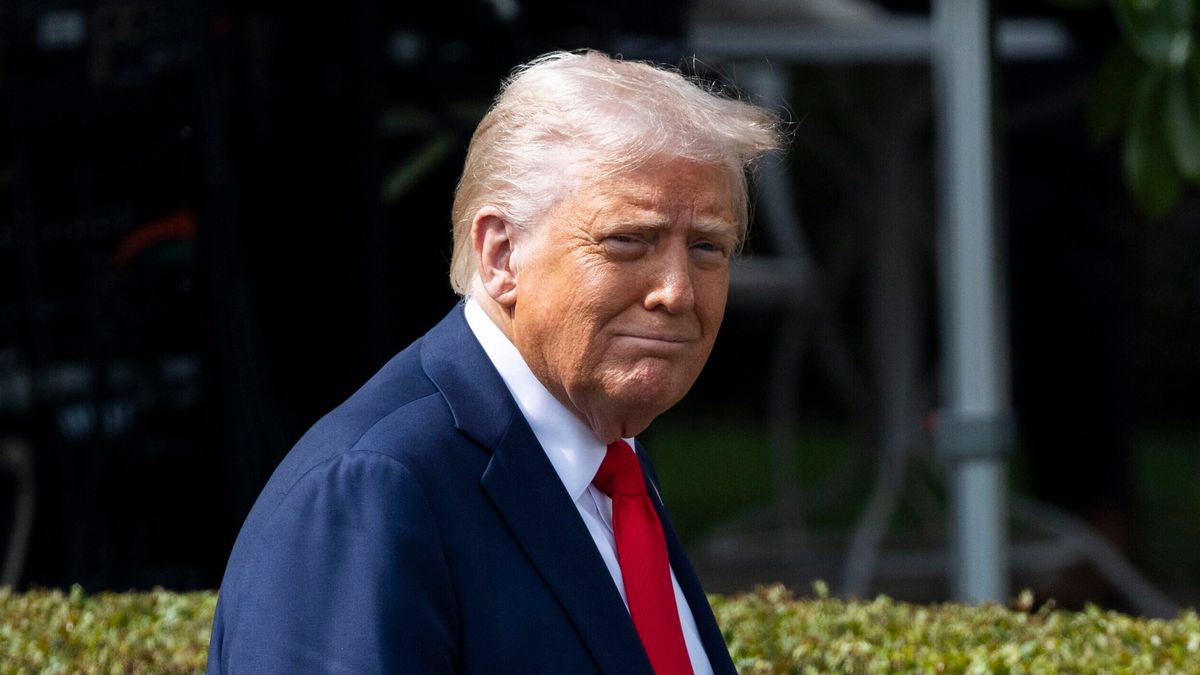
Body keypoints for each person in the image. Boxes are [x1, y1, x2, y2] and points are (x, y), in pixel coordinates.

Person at [207, 50, 780, 674]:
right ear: (502, 256)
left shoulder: (609, 464)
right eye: (627, 241)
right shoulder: (375, 488)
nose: (676, 290)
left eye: (707, 247)